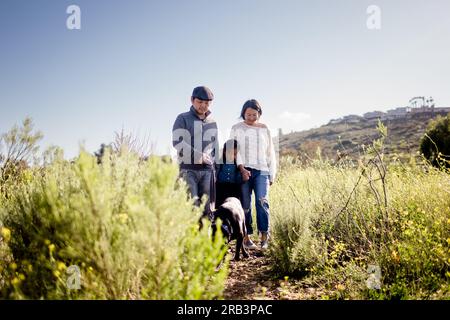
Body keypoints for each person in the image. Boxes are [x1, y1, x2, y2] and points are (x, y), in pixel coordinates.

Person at [230, 99, 277, 250]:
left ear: (259, 114)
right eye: (248, 114)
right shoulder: (236, 128)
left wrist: (272, 173)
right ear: (243, 113)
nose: (251, 118)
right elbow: (234, 151)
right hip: (243, 170)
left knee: (262, 202)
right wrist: (242, 168)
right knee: (245, 205)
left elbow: (270, 152)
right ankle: (246, 237)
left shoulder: (264, 128)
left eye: (254, 115)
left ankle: (264, 237)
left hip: (262, 170)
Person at [172, 86, 219, 218]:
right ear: (192, 100)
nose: (203, 106)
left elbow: (215, 146)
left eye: (207, 103)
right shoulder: (182, 118)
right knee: (191, 208)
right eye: (200, 102)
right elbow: (178, 142)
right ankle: (191, 238)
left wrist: (217, 168)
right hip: (188, 170)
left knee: (208, 209)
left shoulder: (213, 122)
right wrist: (199, 156)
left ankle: (206, 237)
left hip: (208, 171)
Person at [215, 139, 243, 209]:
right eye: (229, 153)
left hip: (233, 190)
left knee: (232, 209)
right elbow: (216, 175)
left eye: (234, 154)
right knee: (220, 208)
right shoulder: (220, 163)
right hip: (220, 189)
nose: (232, 156)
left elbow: (239, 180)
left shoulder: (238, 166)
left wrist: (242, 178)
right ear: (224, 152)